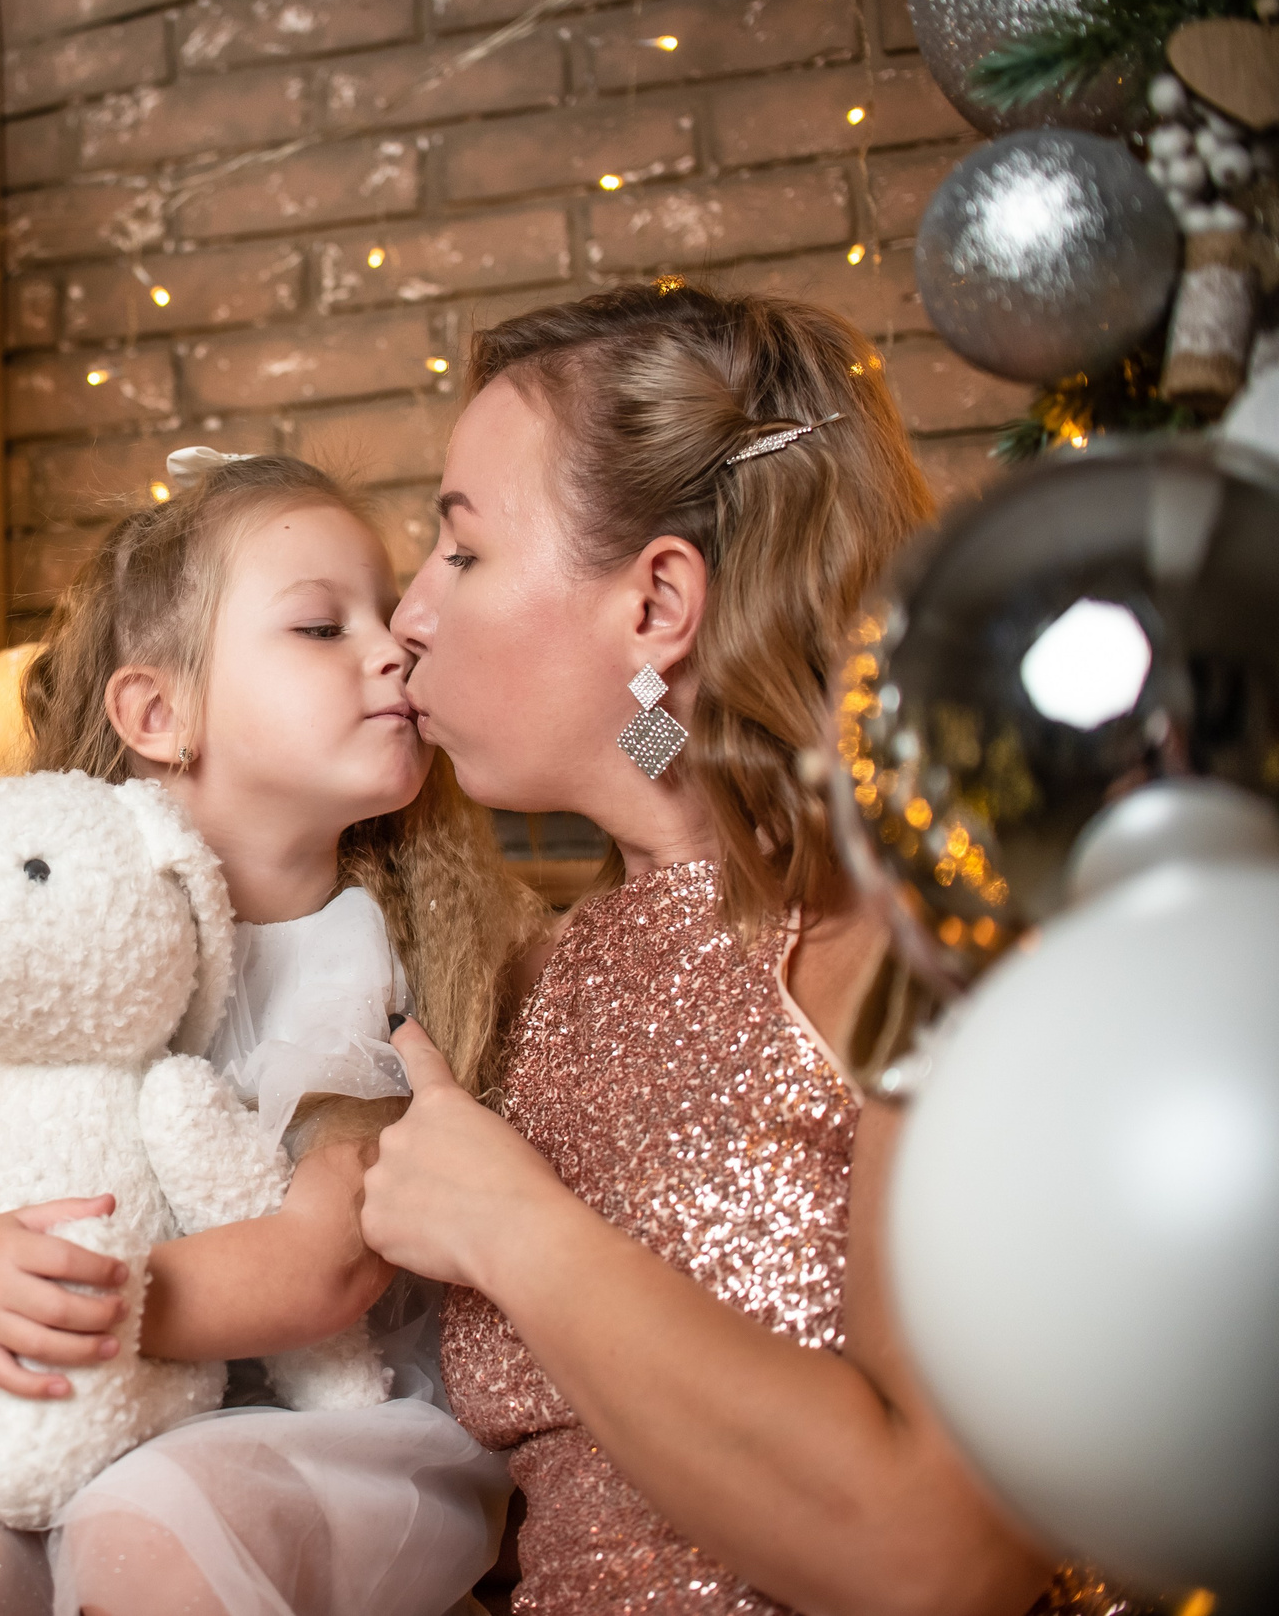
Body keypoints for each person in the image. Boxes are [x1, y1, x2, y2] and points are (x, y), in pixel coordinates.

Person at [0, 453, 536, 1616]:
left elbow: (323, 1260)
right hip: (26, 1404)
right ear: (155, 712)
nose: (392, 647)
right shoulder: (35, 933)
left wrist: (13, 1334)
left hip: (282, 1422)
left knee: (159, 1535)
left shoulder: (369, 957)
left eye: (384, 615)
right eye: (322, 626)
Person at [360, 281, 1088, 1614]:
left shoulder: (918, 943)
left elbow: (941, 1554)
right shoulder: (537, 982)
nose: (408, 615)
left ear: (657, 607)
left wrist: (515, 1225)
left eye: (461, 552)